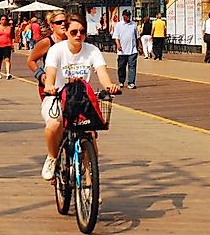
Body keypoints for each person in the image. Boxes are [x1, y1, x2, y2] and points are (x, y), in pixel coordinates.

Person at [40, 13, 121, 180]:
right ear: (66, 32)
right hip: (58, 97)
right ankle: (52, 157)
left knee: (90, 134)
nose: (78, 35)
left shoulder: (92, 50)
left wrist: (110, 86)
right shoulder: (56, 50)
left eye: (82, 32)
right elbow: (51, 74)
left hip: (81, 100)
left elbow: (102, 74)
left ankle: (90, 180)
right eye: (74, 32)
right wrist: (49, 86)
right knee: (54, 125)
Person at [27, 11, 68, 96]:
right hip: (51, 86)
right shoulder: (46, 42)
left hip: (68, 85)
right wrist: (41, 75)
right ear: (51, 26)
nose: (63, 24)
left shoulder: (72, 41)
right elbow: (30, 61)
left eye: (65, 22)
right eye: (59, 22)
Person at [113, 9, 139, 89]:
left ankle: (131, 82)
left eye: (128, 15)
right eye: (126, 15)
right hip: (122, 51)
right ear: (123, 16)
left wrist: (139, 47)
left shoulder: (134, 24)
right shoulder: (119, 25)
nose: (127, 17)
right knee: (121, 67)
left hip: (132, 50)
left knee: (132, 66)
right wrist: (118, 45)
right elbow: (116, 37)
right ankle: (121, 81)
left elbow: (137, 37)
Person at [0, 15, 14, 80]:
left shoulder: (9, 28)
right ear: (0, 20)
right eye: (2, 19)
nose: (3, 21)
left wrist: (12, 45)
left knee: (7, 59)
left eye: (5, 19)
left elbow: (11, 37)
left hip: (7, 45)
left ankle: (8, 73)